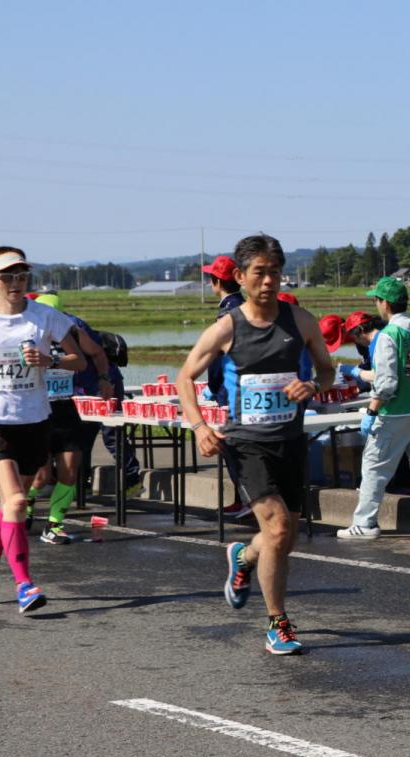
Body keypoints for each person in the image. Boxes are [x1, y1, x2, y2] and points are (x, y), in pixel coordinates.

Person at [175, 234, 335, 655]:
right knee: (279, 527)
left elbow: (327, 370)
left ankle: (243, 558)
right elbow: (184, 378)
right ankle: (277, 623)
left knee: (285, 535)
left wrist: (312, 385)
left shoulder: (300, 320)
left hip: (290, 439)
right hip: (246, 443)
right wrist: (198, 426)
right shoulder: (228, 326)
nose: (268, 281)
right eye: (259, 273)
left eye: (275, 272)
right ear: (241, 277)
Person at [0, 248, 85, 613]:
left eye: (21, 276)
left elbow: (79, 360)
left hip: (35, 422)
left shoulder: (46, 318)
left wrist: (50, 359)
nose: (15, 283)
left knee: (12, 504)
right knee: (15, 502)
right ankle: (25, 584)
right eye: (7, 276)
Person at [336, 277, 410, 540]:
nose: (376, 305)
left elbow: (386, 382)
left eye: (376, 300)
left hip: (394, 414)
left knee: (374, 468)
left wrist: (371, 412)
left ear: (385, 303)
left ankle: (365, 524)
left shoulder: (390, 335)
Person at [28, 293, 113, 544]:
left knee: (69, 471)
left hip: (65, 408)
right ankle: (28, 506)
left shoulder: (72, 332)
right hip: (38, 410)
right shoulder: (29, 333)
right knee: (41, 476)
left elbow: (96, 354)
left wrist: (104, 378)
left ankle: (54, 525)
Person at [202, 255, 250, 519]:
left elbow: (216, 357)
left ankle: (248, 500)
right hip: (247, 387)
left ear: (216, 282)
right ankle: (241, 498)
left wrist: (213, 386)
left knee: (233, 447)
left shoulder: (226, 313)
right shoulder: (246, 306)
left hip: (229, 391)